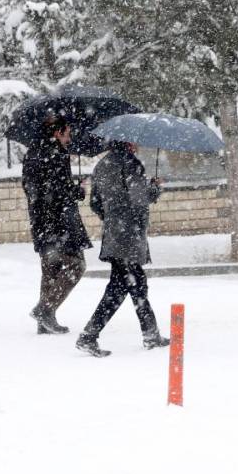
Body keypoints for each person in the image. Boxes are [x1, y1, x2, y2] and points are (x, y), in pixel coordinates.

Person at [75, 141, 170, 357]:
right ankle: (89, 336)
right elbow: (138, 199)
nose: (138, 144)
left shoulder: (102, 165)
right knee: (126, 285)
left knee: (130, 285)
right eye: (134, 140)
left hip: (114, 233)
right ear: (127, 142)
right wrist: (153, 188)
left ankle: (150, 334)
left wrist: (112, 218)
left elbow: (95, 204)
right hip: (129, 234)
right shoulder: (130, 164)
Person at [22, 114, 91, 335]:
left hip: (42, 223)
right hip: (59, 224)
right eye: (67, 134)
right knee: (76, 266)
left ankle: (44, 323)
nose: (69, 138)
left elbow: (35, 189)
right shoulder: (54, 155)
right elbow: (58, 191)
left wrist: (67, 189)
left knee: (50, 269)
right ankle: (45, 310)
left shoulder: (33, 153)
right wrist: (77, 190)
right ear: (57, 132)